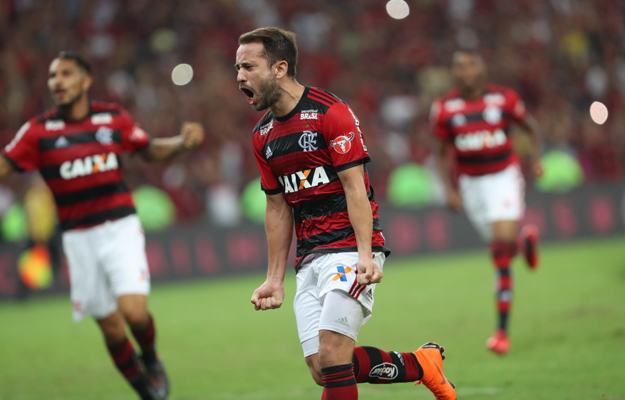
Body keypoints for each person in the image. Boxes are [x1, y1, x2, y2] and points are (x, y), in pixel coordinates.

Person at [236, 27, 456, 400]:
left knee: (333, 354)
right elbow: (277, 207)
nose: (239, 76)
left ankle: (422, 365)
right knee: (323, 369)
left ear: (279, 68)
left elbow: (356, 188)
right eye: (237, 68)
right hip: (309, 257)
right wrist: (274, 278)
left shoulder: (329, 113)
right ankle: (421, 365)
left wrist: (366, 255)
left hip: (348, 250)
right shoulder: (263, 136)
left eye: (248, 67)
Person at [0, 52, 204, 399]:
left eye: (66, 74)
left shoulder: (112, 118)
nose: (57, 82)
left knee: (134, 312)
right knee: (111, 328)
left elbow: (148, 149)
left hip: (119, 226)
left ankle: (151, 360)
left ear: (85, 80)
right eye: (52, 76)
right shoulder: (38, 131)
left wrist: (181, 143)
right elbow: (5, 165)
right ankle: (144, 388)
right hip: (78, 239)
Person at [431, 49, 543, 354]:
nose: (465, 71)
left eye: (470, 65)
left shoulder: (504, 99)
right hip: (470, 185)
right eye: (459, 66)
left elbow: (530, 128)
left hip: (503, 177)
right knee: (500, 245)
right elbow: (441, 152)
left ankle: (501, 333)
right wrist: (449, 189)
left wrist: (535, 161)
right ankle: (524, 244)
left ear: (482, 69)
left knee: (499, 254)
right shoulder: (444, 108)